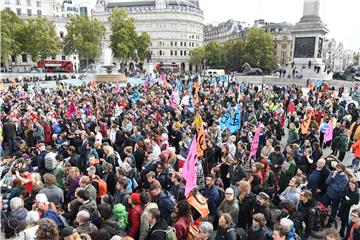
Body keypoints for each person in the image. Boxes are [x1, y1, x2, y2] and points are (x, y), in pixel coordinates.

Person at [324, 163, 349, 227]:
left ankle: (330, 223)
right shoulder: (333, 173)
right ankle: (322, 218)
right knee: (324, 207)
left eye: (339, 168)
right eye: (337, 167)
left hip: (336, 197)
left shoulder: (345, 178)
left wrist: (331, 184)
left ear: (342, 169)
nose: (337, 169)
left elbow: (339, 189)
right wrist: (333, 177)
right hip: (328, 194)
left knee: (334, 211)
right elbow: (327, 182)